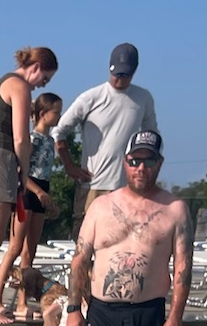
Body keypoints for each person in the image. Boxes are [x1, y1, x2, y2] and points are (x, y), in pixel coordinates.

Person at [65, 130, 193, 326]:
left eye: (149, 161)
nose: (141, 168)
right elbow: (80, 259)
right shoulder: (101, 207)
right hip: (101, 315)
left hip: (147, 317)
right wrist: (72, 309)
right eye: (134, 161)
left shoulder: (175, 210)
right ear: (125, 161)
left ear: (160, 163)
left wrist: (175, 318)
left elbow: (183, 268)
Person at [0, 45, 58, 325]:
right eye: (46, 78)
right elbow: (21, 139)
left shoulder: (6, 82)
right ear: (37, 67)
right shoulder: (19, 86)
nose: (44, 84)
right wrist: (23, 172)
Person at [51, 43, 157, 237]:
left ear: (134, 71)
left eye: (125, 75)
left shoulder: (143, 98)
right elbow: (59, 132)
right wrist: (69, 166)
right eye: (116, 73)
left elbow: (152, 140)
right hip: (93, 185)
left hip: (126, 186)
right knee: (85, 242)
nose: (119, 79)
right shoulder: (91, 97)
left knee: (122, 243)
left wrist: (148, 175)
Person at [0, 92, 63, 319]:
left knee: (29, 252)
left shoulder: (50, 141)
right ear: (43, 114)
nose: (59, 117)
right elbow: (20, 169)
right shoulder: (32, 139)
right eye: (56, 112)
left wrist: (48, 198)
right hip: (27, 191)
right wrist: (38, 192)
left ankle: (22, 301)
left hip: (42, 189)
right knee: (15, 248)